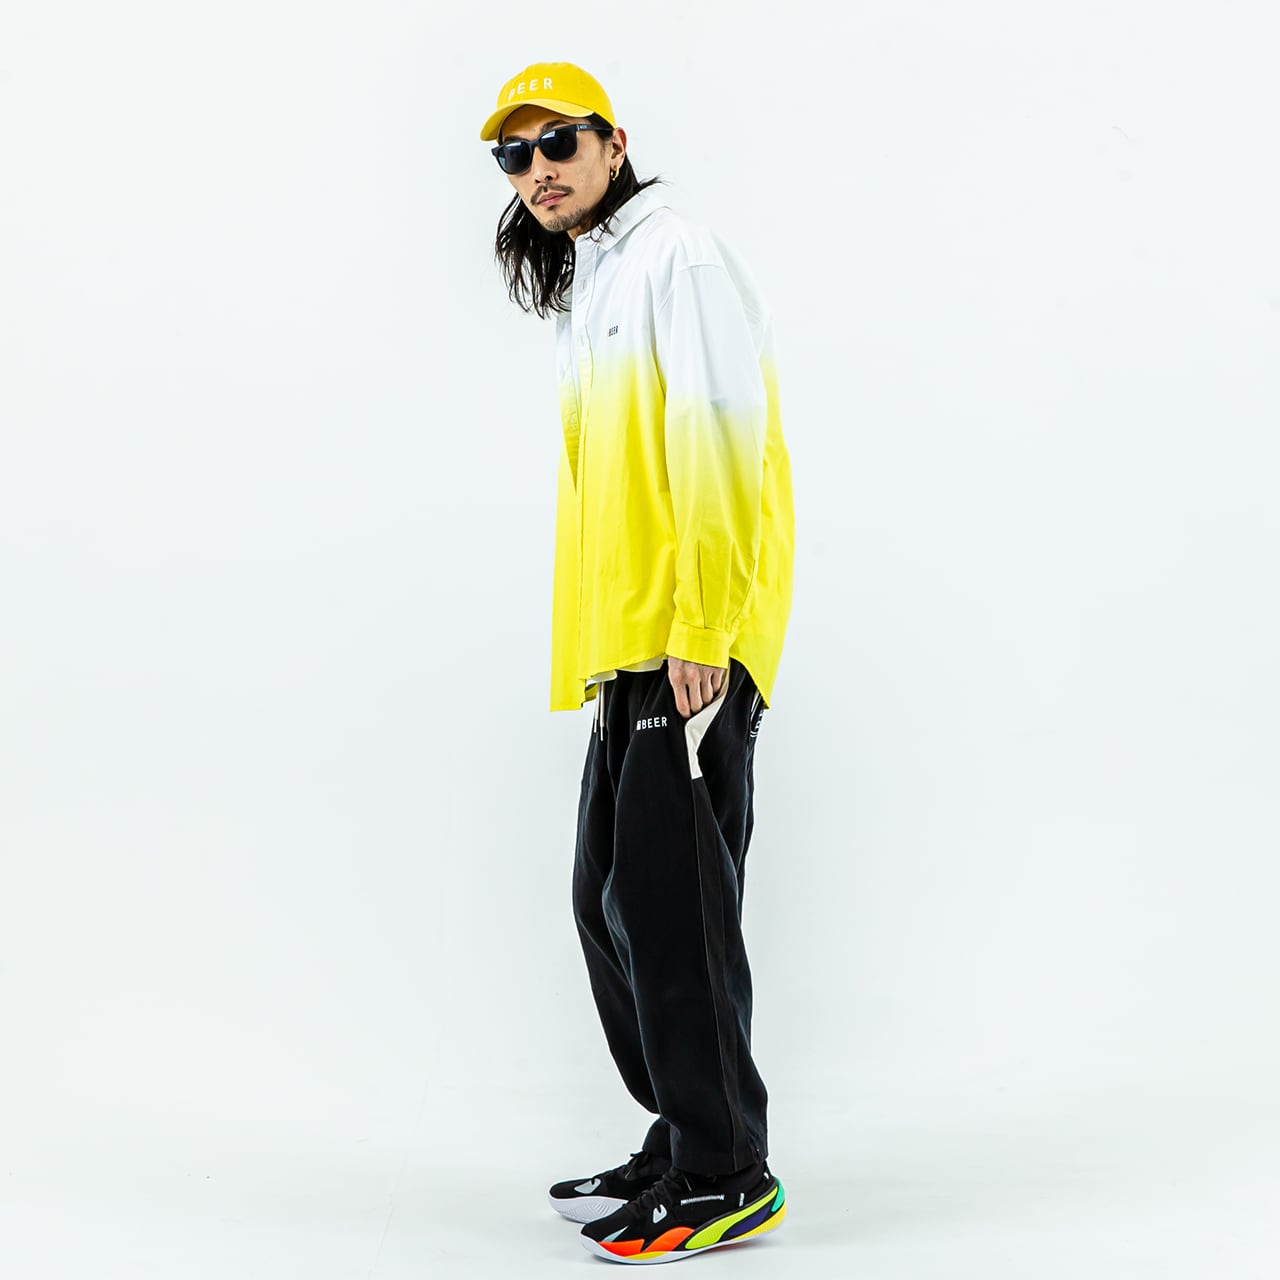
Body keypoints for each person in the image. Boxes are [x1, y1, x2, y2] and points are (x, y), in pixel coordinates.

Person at [480, 61, 795, 1264]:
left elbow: (721, 437)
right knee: (609, 899)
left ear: (613, 142)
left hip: (685, 643)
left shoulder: (678, 257)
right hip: (627, 644)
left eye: (557, 141)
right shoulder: (597, 279)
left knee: (674, 914)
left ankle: (725, 1172)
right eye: (514, 154)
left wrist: (702, 630)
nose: (537, 169)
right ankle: (681, 1135)